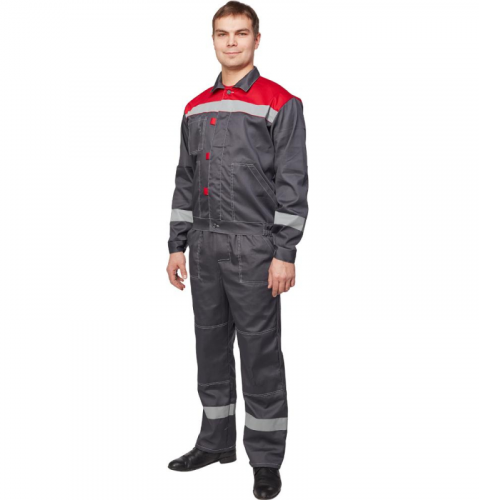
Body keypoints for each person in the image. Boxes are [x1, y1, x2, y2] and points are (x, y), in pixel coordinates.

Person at [165, 2, 308, 498]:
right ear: (213, 40)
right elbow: (185, 179)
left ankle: (265, 460)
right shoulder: (195, 107)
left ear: (256, 40)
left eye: (241, 33)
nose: (231, 42)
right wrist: (176, 245)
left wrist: (285, 252)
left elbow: (293, 182)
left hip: (255, 247)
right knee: (209, 348)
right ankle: (214, 442)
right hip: (203, 247)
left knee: (259, 353)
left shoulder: (280, 102)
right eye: (222, 34)